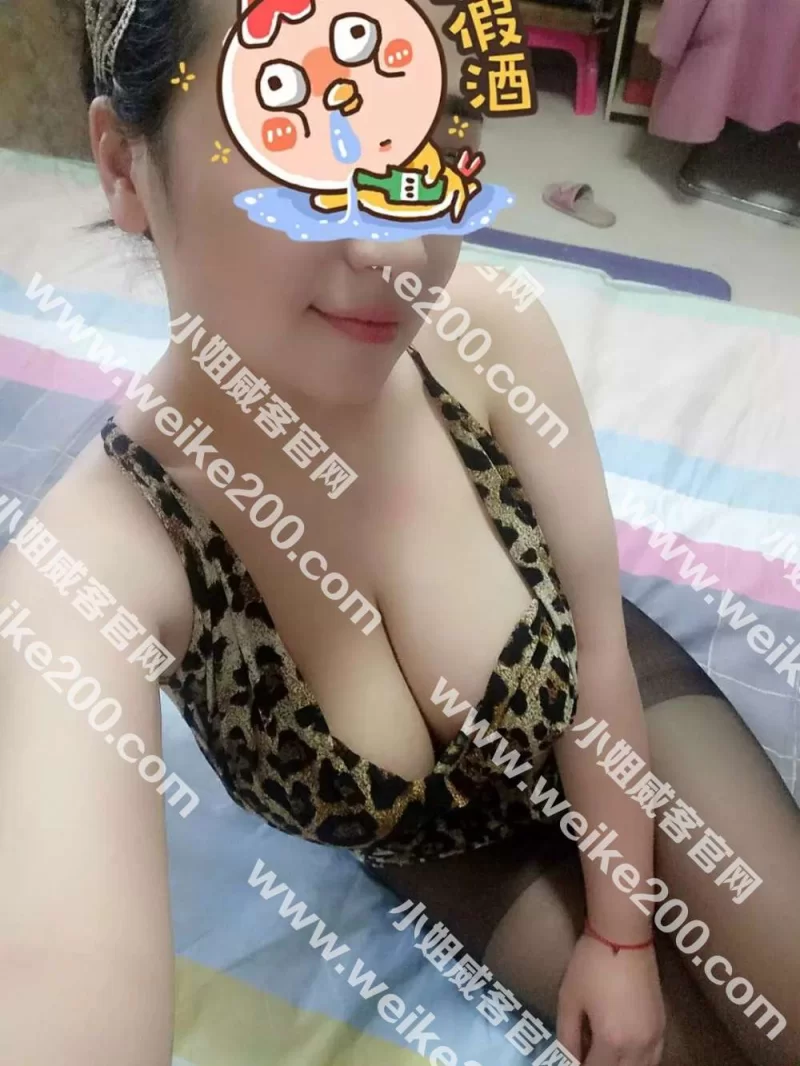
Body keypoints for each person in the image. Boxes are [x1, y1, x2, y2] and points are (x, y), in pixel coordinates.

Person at [0, 2, 798, 1065]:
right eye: (299, 137)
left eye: (434, 139)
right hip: (444, 850)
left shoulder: (488, 332)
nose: (400, 245)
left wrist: (622, 933)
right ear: (123, 166)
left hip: (600, 707)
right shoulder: (102, 555)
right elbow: (57, 977)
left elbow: (599, 654)